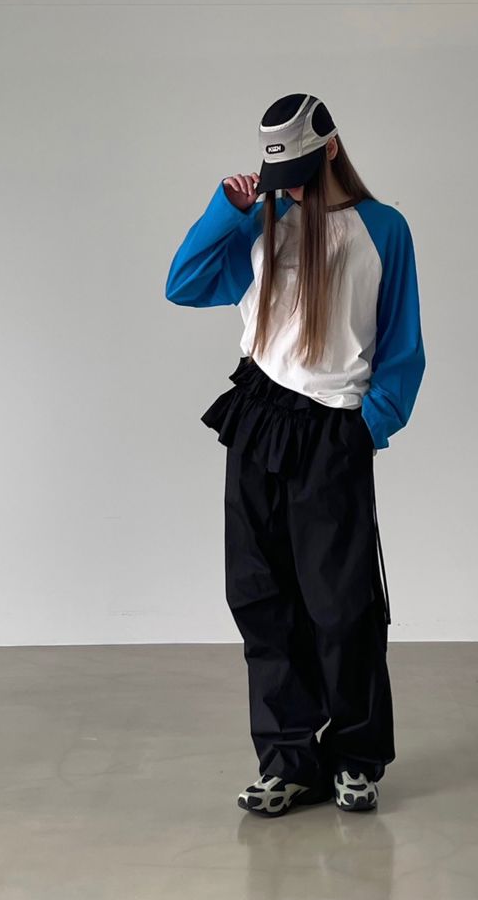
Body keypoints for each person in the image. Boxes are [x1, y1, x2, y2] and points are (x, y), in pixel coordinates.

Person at [165, 92, 426, 817]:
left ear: (331, 148)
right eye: (284, 178)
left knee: (342, 605)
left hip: (332, 427)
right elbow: (183, 285)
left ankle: (356, 758)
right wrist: (228, 209)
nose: (295, 190)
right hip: (257, 416)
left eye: (303, 173)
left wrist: (368, 427)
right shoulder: (262, 222)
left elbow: (402, 341)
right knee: (260, 595)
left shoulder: (384, 229)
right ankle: (287, 760)